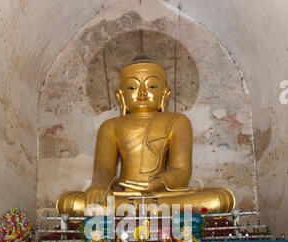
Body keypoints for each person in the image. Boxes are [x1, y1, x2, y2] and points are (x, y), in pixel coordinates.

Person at [56, 59, 235, 216]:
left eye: (151, 86)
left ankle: (141, 207)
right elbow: (103, 169)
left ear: (164, 94)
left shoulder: (178, 121)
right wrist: (99, 186)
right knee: (68, 202)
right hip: (124, 196)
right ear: (121, 96)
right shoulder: (110, 126)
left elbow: (181, 171)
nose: (141, 93)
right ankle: (139, 208)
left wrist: (157, 183)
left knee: (218, 199)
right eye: (133, 87)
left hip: (162, 195)